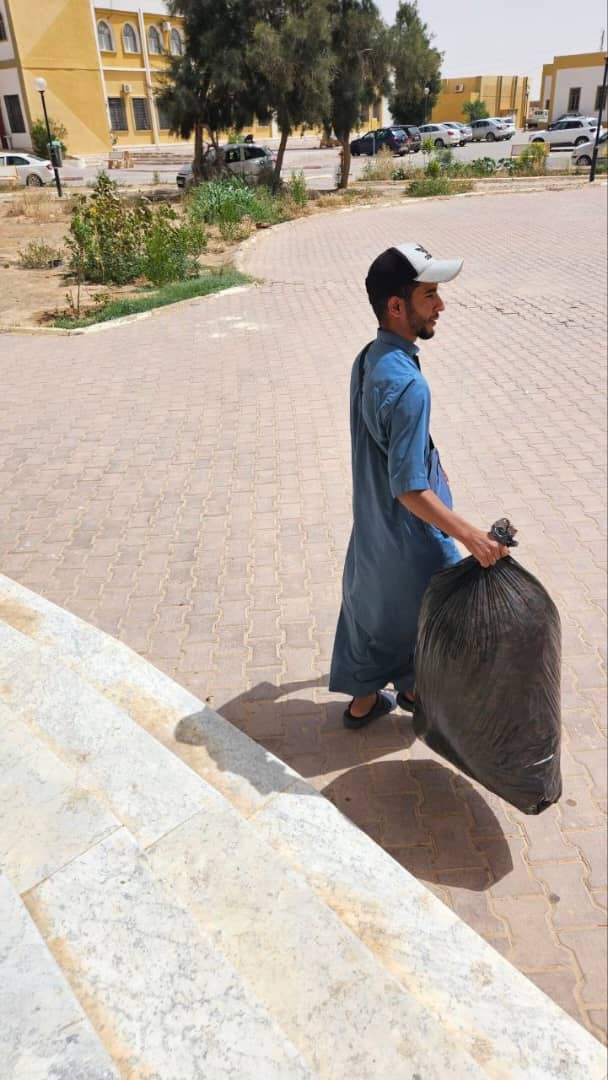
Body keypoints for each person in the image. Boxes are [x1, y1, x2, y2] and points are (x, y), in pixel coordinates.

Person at [329, 242, 510, 729]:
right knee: (436, 620)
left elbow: (387, 441)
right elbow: (409, 490)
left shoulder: (370, 359)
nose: (441, 305)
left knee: (370, 612)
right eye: (429, 295)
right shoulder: (410, 385)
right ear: (396, 306)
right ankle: (425, 697)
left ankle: (364, 702)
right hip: (413, 537)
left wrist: (430, 458)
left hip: (372, 527)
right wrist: (471, 537)